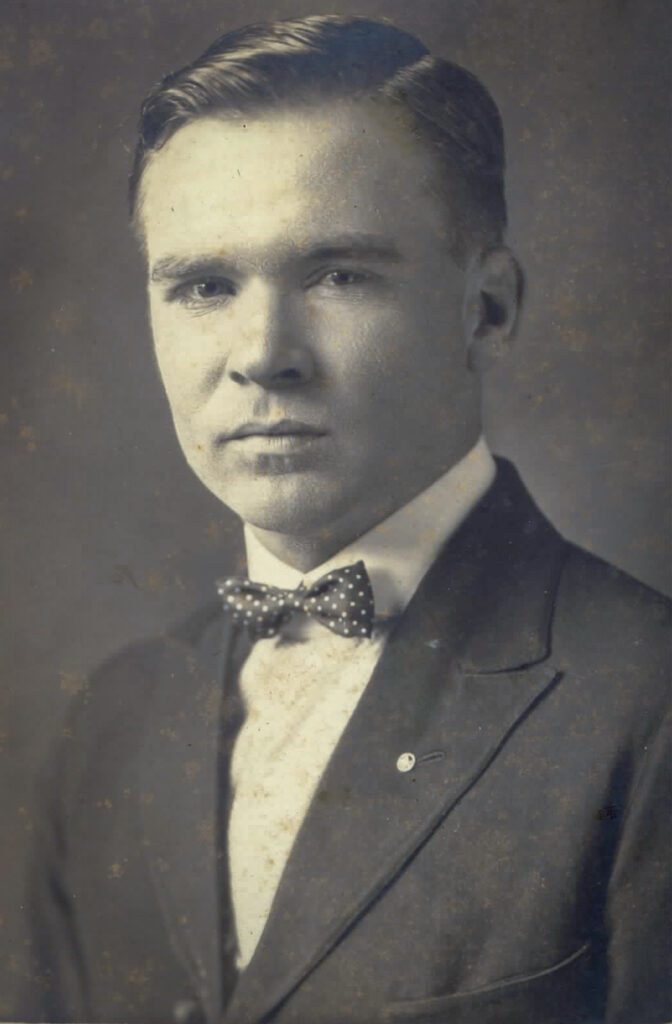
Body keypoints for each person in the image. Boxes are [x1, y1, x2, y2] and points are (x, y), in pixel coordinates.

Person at [22, 15, 670, 1024]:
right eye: (203, 285)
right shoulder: (111, 727)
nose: (263, 354)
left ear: (486, 308)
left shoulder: (647, 703)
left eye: (337, 275)